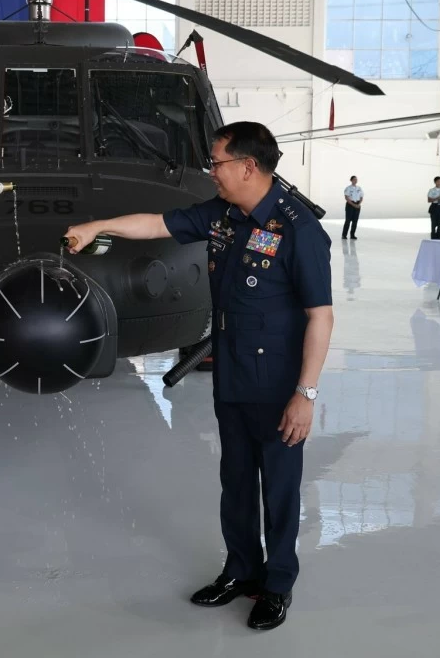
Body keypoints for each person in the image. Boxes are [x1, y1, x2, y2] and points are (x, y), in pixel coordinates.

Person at [63, 121, 334, 632]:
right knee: (236, 480)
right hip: (232, 371)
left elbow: (321, 316)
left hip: (278, 382)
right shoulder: (224, 214)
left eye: (217, 163)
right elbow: (157, 224)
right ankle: (242, 570)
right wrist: (98, 226)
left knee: (279, 488)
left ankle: (277, 583)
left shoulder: (299, 231)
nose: (212, 172)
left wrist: (306, 394)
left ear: (248, 167)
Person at [341, 175, 362, 240]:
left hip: (357, 204)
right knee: (348, 221)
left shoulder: (359, 188)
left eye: (356, 179)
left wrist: (359, 204)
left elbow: (361, 197)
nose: (355, 180)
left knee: (355, 221)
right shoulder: (348, 188)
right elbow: (346, 198)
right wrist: (353, 205)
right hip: (350, 205)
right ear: (351, 180)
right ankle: (344, 235)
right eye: (354, 179)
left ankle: (352, 235)